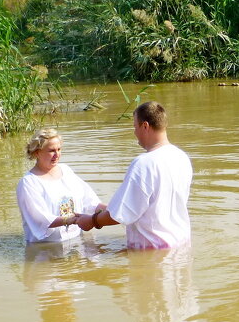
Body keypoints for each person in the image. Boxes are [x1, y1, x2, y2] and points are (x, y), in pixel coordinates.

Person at [77, 101, 192, 250]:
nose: (135, 132)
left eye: (135, 127)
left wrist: (92, 220)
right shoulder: (181, 157)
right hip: (181, 244)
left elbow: (121, 214)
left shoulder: (143, 164)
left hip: (152, 250)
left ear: (145, 126)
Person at [16, 128, 105, 243]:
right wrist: (74, 220)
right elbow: (39, 218)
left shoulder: (66, 170)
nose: (57, 155)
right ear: (37, 152)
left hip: (77, 241)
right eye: (51, 151)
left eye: (59, 149)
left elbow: (89, 200)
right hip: (46, 250)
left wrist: (112, 210)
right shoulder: (28, 183)